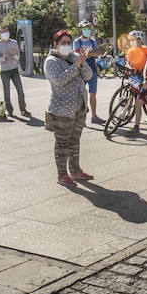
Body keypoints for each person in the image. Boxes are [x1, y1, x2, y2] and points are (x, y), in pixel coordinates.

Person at [45, 29, 94, 186]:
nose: (66, 45)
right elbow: (60, 80)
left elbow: (89, 75)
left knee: (75, 141)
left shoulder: (74, 57)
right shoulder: (51, 61)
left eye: (68, 42)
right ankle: (62, 175)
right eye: (63, 43)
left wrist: (82, 61)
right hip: (62, 110)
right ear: (56, 44)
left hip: (79, 108)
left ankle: (75, 171)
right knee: (62, 144)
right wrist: (76, 65)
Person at [0, 27, 29, 118]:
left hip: (14, 69)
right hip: (4, 71)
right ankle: (10, 111)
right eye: (2, 32)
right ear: (0, 34)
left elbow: (18, 57)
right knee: (7, 92)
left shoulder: (14, 42)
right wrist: (4, 57)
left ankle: (23, 109)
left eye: (6, 31)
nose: (5, 33)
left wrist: (14, 54)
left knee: (20, 90)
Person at [72, 21, 103, 124]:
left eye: (88, 28)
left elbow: (98, 53)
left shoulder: (93, 41)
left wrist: (87, 54)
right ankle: (81, 117)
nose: (87, 30)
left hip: (93, 70)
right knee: (81, 95)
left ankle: (94, 116)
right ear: (80, 30)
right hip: (81, 71)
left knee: (93, 94)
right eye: (85, 28)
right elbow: (77, 55)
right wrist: (90, 53)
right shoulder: (77, 41)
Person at [125, 31, 147, 133]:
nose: (132, 42)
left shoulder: (145, 49)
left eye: (134, 40)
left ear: (139, 40)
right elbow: (128, 62)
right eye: (131, 40)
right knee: (132, 94)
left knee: (143, 98)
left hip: (144, 75)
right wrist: (129, 67)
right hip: (134, 75)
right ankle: (127, 113)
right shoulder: (131, 51)